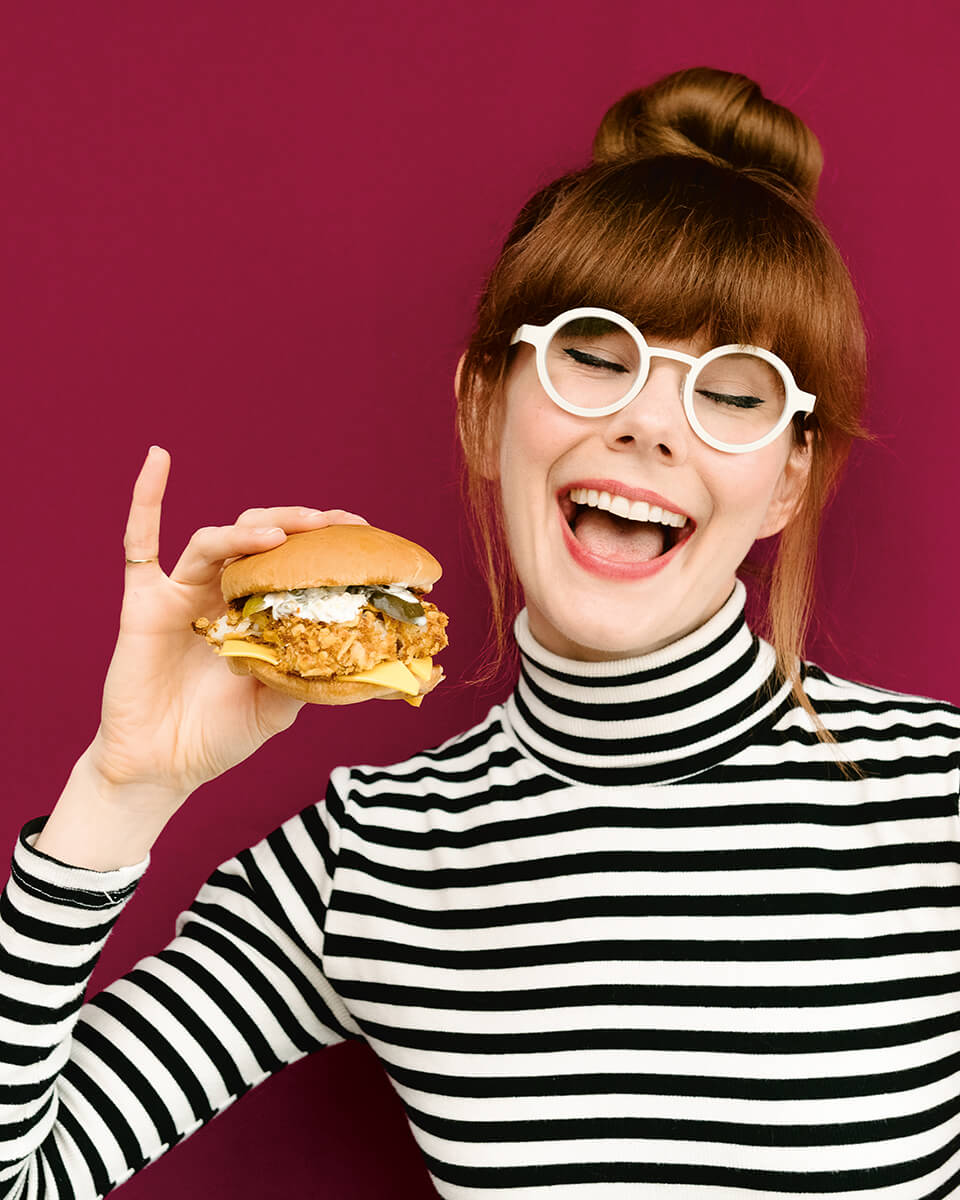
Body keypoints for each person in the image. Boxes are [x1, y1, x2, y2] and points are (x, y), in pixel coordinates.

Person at [3, 65, 959, 1199]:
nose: (652, 423)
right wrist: (118, 792)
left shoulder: (939, 797)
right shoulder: (368, 861)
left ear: (790, 480)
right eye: (596, 358)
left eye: (734, 392)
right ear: (483, 408)